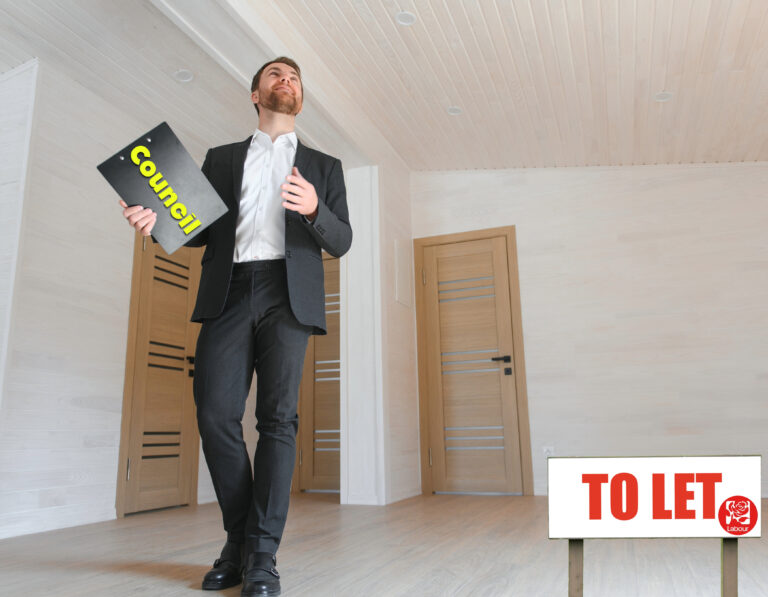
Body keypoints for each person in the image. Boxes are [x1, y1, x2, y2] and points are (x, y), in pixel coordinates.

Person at [120, 57, 352, 597]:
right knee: (215, 413)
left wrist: (316, 209)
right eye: (275, 74)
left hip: (288, 295)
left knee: (277, 419)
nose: (286, 79)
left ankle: (260, 556)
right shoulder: (221, 158)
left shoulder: (325, 166)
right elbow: (197, 229)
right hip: (229, 290)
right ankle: (240, 539)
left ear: (301, 97)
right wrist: (157, 223)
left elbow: (340, 241)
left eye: (294, 76)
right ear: (255, 93)